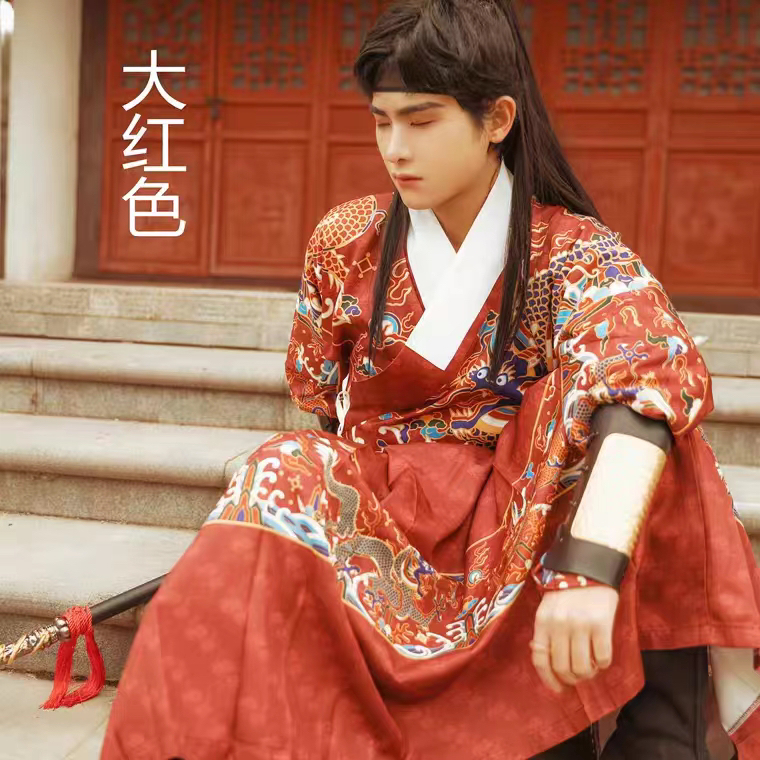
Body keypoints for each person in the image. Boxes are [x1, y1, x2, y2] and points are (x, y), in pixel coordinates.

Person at [101, 1, 760, 758]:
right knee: (279, 468)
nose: (395, 148)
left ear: (497, 119)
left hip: (519, 527)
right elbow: (321, 401)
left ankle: (660, 738)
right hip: (390, 513)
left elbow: (648, 367)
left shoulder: (570, 250)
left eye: (421, 121)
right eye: (382, 122)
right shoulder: (345, 243)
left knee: (645, 426)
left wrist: (590, 565)